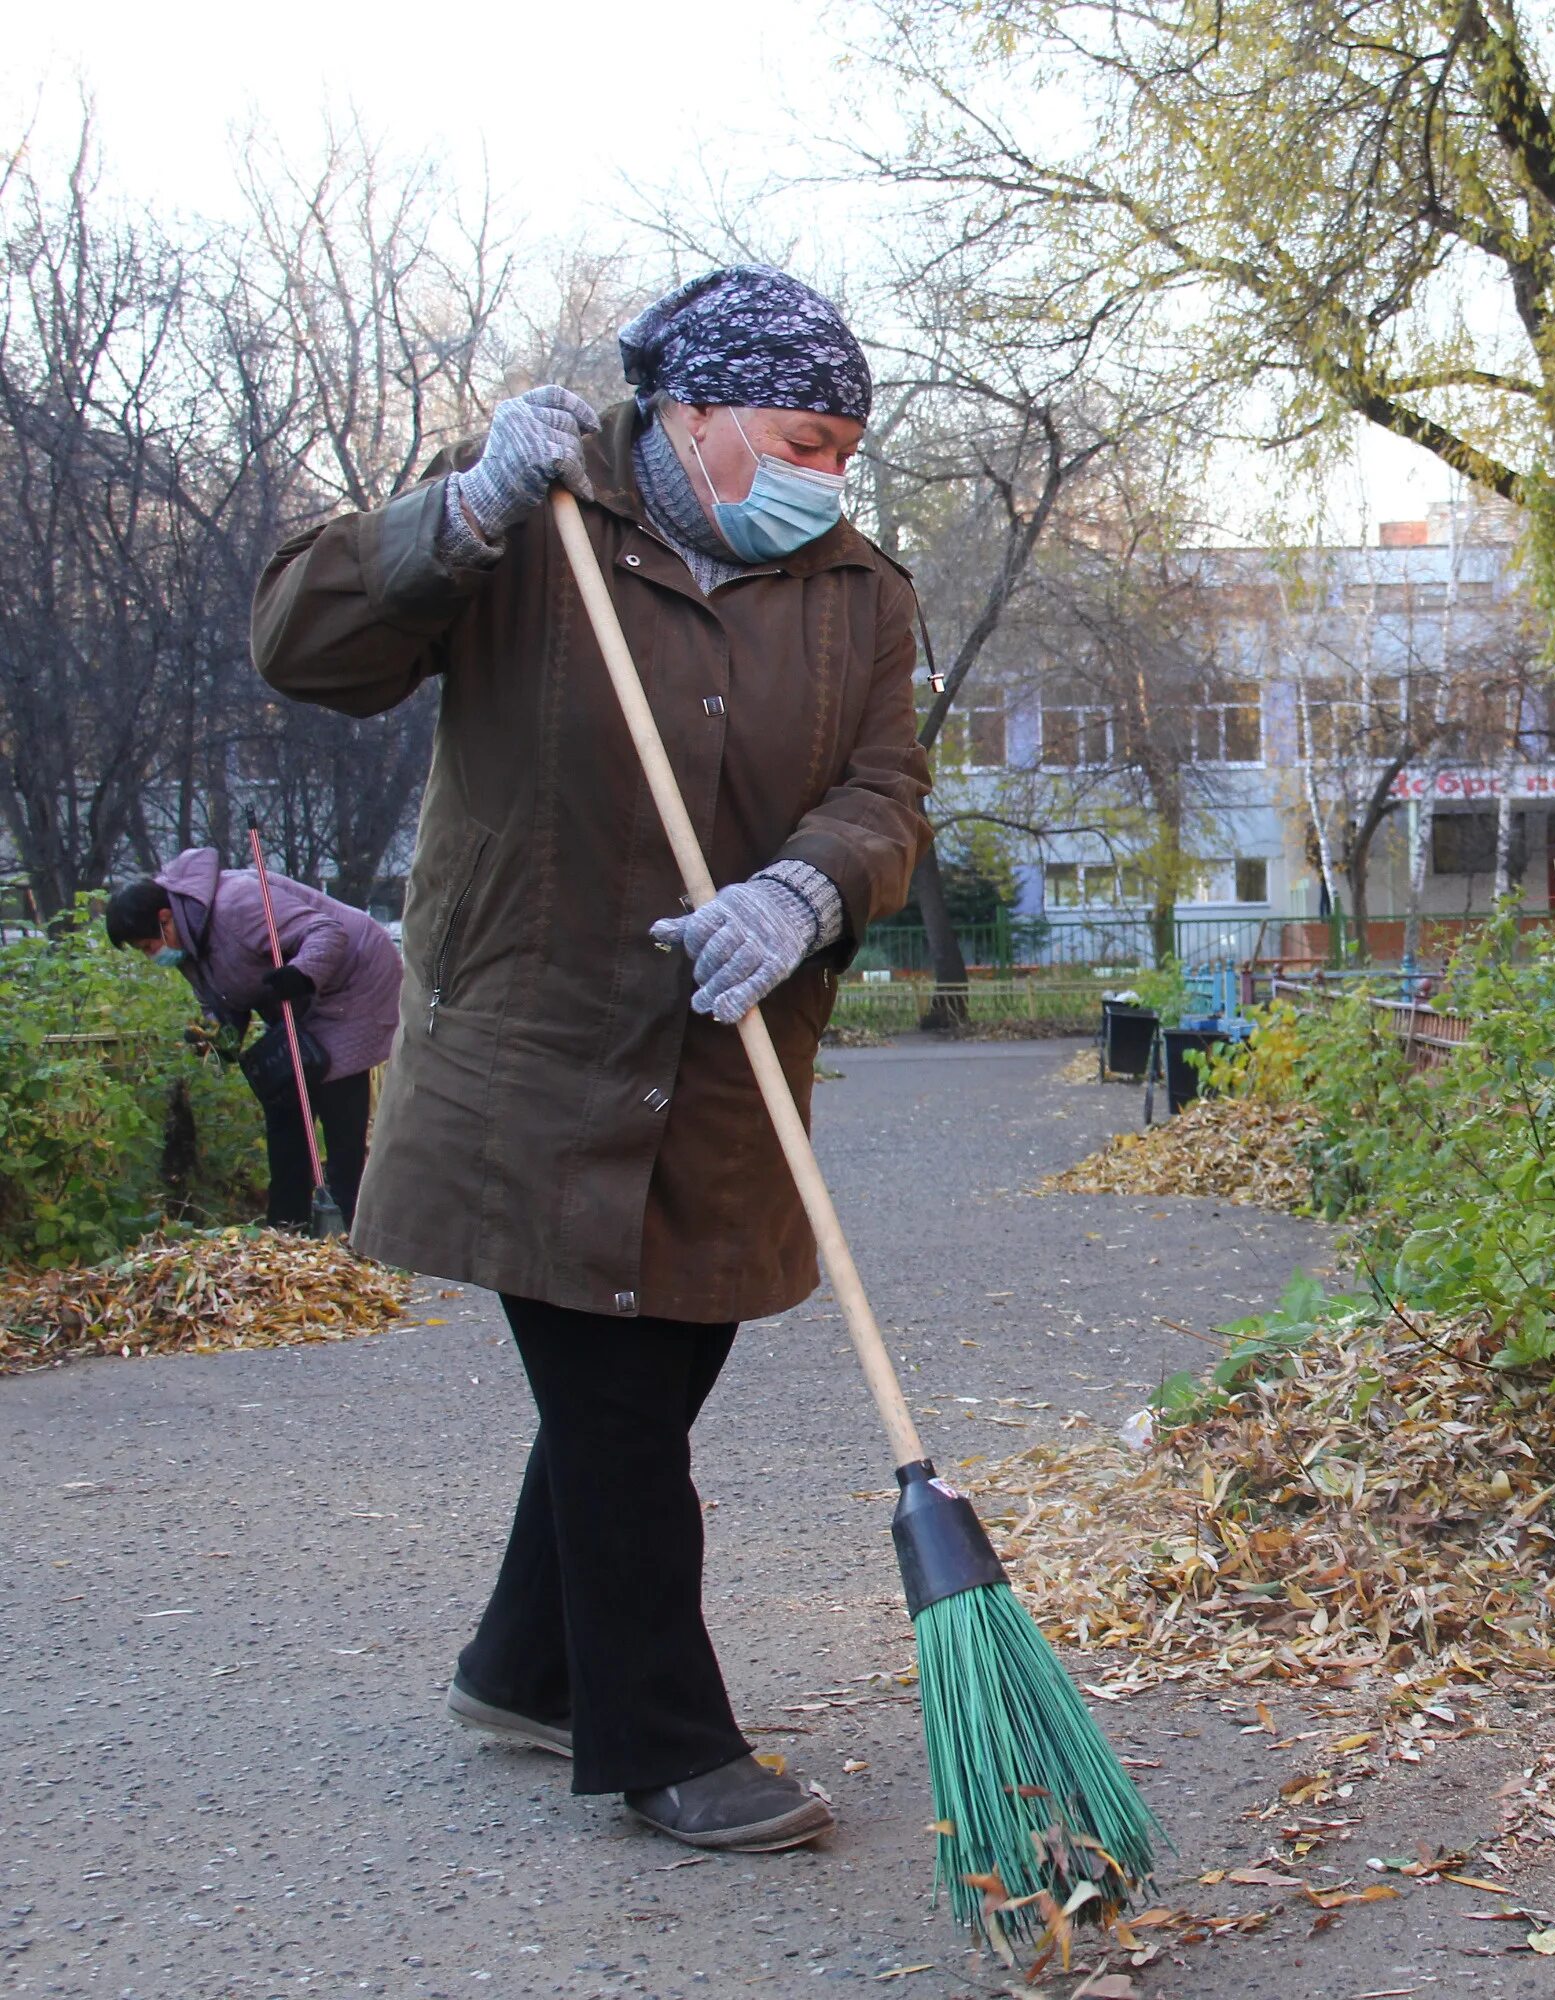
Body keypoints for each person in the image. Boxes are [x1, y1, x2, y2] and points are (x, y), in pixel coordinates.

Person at [250, 267, 929, 1854]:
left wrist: (809, 885)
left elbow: (890, 791)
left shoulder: (858, 595)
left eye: (848, 446)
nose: (828, 473)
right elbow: (305, 645)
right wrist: (458, 514)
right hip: (534, 1051)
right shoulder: (542, 523)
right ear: (688, 416)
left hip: (723, 1057)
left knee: (655, 1375)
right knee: (618, 1400)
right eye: (802, 435)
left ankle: (523, 1664)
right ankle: (661, 1741)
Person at [103, 856, 402, 1227]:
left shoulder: (238, 904)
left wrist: (301, 973)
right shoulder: (188, 938)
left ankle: (349, 1224)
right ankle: (287, 1225)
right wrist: (217, 1036)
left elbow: (327, 932)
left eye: (149, 945)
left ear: (166, 917)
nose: (153, 956)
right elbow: (223, 997)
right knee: (284, 1107)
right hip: (297, 1000)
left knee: (336, 1097)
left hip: (353, 980)